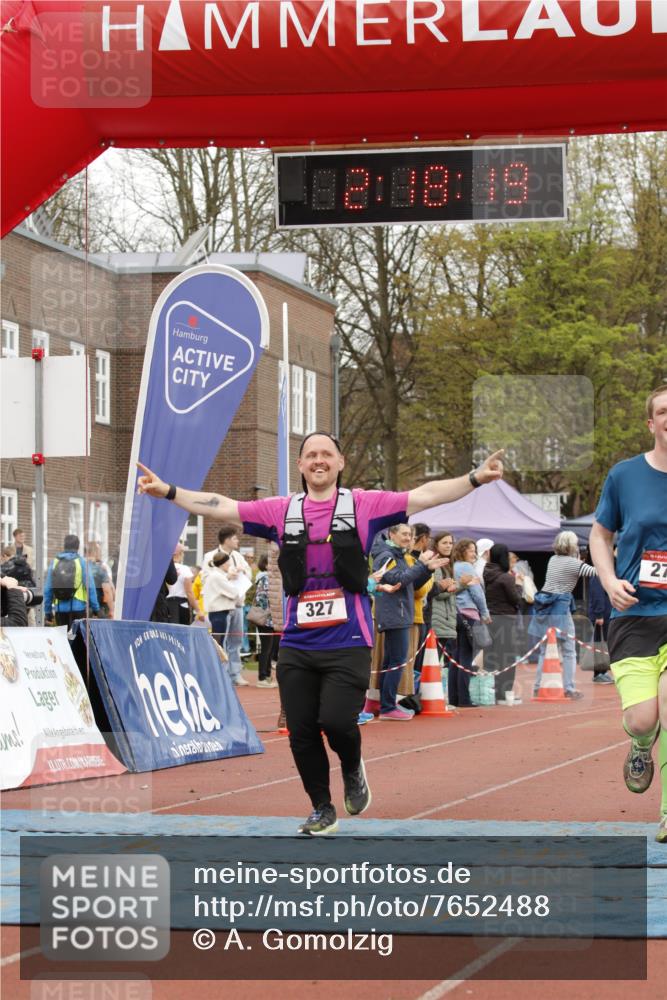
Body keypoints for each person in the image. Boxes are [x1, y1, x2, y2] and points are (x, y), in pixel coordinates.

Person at [136, 434, 504, 835]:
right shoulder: (281, 511)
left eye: (326, 454)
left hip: (348, 639)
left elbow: (425, 494)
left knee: (338, 722)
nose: (318, 460)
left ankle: (351, 766)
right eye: (310, 455)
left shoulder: (363, 505)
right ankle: (321, 807)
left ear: (340, 461)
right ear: (300, 465)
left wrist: (475, 478)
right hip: (297, 640)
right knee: (302, 729)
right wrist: (169, 492)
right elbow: (221, 505)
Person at [589, 384, 667, 844]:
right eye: (663, 411)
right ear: (651, 422)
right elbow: (600, 535)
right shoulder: (624, 476)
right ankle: (641, 744)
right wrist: (608, 579)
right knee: (643, 718)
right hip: (635, 613)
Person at [371, 524, 441, 720]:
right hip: (395, 613)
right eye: (404, 534)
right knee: (397, 661)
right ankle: (387, 707)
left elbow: (410, 584)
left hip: (400, 612)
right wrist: (420, 565)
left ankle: (386, 704)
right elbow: (396, 580)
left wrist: (426, 570)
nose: (408, 537)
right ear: (392, 534)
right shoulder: (386, 555)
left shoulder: (398, 555)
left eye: (410, 534)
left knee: (392, 661)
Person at [529, 530, 597, 699]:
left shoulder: (553, 560)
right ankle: (569, 687)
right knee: (568, 650)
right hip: (560, 608)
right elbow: (595, 572)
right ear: (571, 546)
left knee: (546, 649)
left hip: (544, 605)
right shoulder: (573, 564)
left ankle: (538, 686)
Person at [202, 526, 252, 687]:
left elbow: (248, 574)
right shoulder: (210, 556)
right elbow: (206, 577)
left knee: (236, 640)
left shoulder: (238, 556)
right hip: (221, 604)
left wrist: (240, 572)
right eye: (235, 538)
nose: (237, 541)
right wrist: (228, 577)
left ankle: (235, 673)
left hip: (237, 604)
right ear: (228, 540)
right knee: (220, 641)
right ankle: (220, 674)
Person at [451, 538, 490, 707]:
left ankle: (455, 697)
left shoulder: (453, 567)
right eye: (471, 550)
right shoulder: (466, 568)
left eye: (475, 550)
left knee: (456, 657)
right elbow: (477, 593)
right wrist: (485, 613)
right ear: (462, 551)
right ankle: (464, 699)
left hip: (455, 614)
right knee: (465, 656)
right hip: (468, 613)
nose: (474, 553)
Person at [484, 543, 522, 704]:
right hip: (505, 620)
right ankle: (504, 693)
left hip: (489, 619)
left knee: (490, 657)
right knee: (507, 658)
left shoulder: (484, 572)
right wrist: (519, 585)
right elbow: (516, 599)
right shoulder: (506, 577)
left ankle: (489, 691)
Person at [44, 534, 99, 628]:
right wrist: (95, 609)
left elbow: (48, 589)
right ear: (78, 547)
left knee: (63, 640)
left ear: (64, 545)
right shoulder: (81, 562)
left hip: (60, 610)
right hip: (78, 609)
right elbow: (90, 586)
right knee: (78, 641)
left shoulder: (55, 562)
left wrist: (48, 611)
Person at [430, 531, 459, 678]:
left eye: (450, 543)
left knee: (435, 662)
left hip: (445, 620)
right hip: (438, 619)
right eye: (444, 543)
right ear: (436, 545)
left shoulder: (448, 565)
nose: (448, 546)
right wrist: (456, 588)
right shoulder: (436, 565)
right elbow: (437, 592)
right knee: (430, 663)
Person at [202, 551, 239, 666]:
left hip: (218, 613)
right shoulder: (217, 576)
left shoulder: (217, 575)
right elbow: (234, 592)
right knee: (218, 646)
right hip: (219, 614)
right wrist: (233, 580)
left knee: (219, 645)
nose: (229, 565)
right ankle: (217, 673)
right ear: (223, 564)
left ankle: (218, 672)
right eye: (228, 562)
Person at [254, 554, 279, 688]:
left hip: (270, 618)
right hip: (266, 618)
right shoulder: (265, 578)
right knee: (266, 648)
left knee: (269, 648)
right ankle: (262, 677)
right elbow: (267, 598)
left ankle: (267, 676)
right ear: (265, 564)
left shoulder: (268, 578)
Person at [587, 570, 614, 684]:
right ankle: (599, 673)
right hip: (602, 615)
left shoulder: (600, 574)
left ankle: (602, 672)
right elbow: (597, 594)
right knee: (601, 644)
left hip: (604, 613)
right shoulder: (598, 574)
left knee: (603, 644)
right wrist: (599, 614)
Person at [166, 542, 198, 625]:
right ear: (179, 554)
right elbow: (189, 592)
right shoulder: (185, 569)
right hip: (181, 605)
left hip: (166, 605)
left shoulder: (164, 568)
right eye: (183, 552)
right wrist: (198, 610)